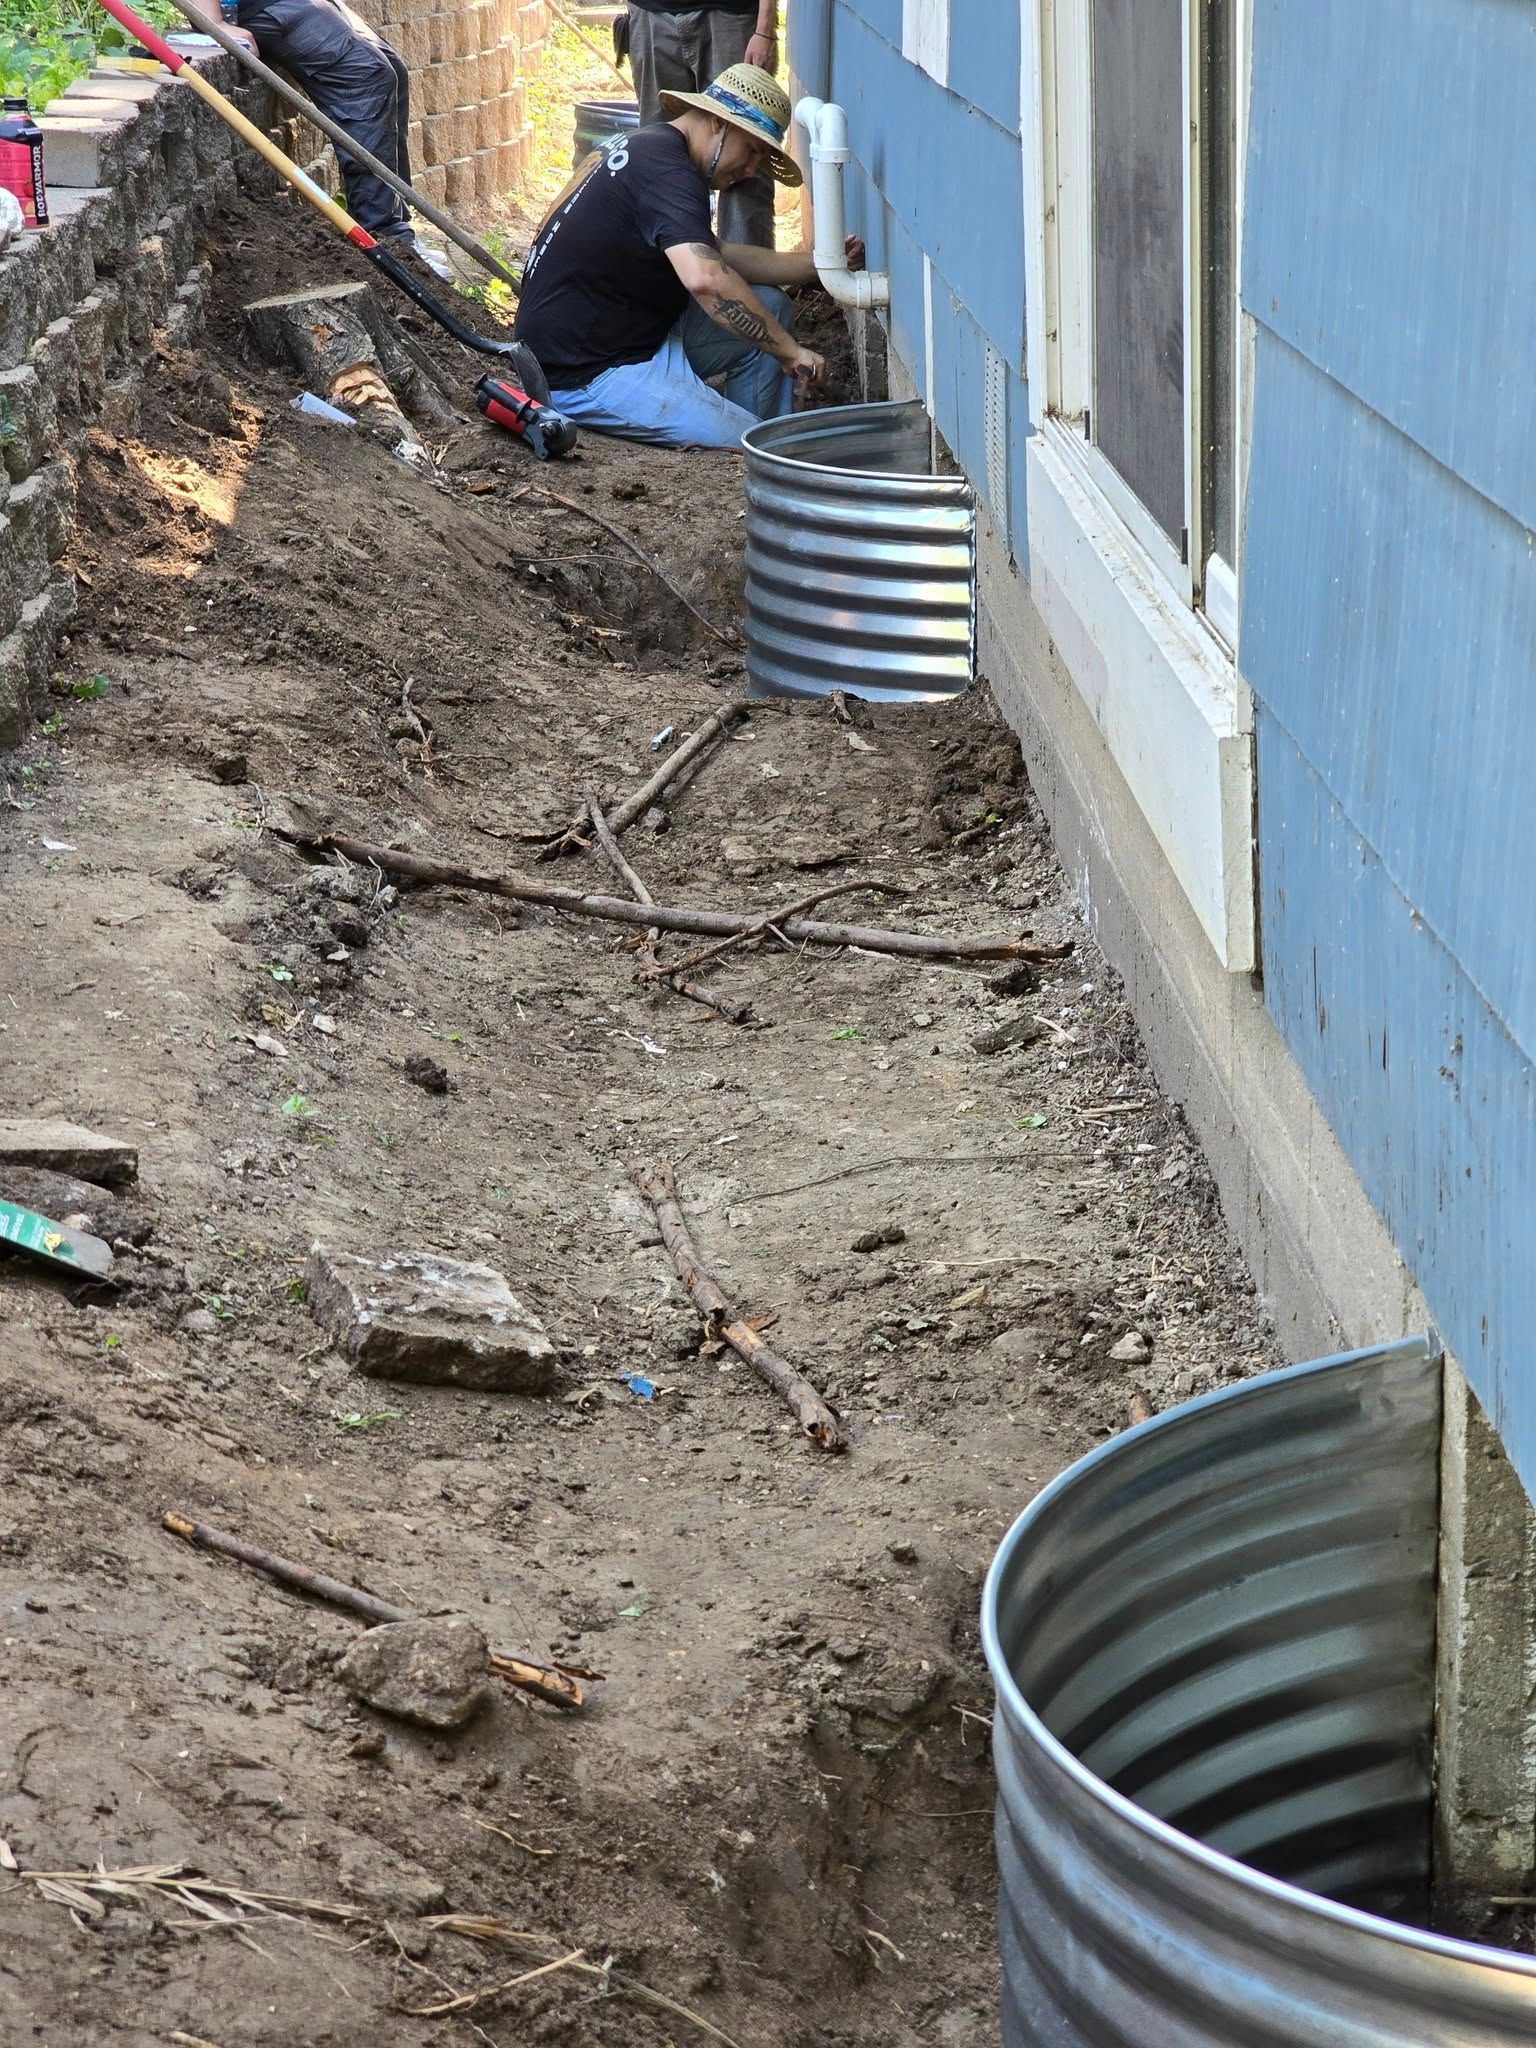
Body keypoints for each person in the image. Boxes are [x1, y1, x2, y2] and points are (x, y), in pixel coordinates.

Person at [512, 65, 861, 450]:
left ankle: (766, 436)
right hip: (583, 373)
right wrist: (791, 352)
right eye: (752, 152)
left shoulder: (651, 148)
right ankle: (765, 449)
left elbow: (717, 256)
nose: (749, 171)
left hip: (624, 334)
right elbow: (706, 278)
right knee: (754, 444)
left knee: (771, 307)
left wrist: (817, 266)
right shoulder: (670, 171)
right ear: (717, 122)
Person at [187, 0, 450, 277]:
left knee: (393, 69)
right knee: (365, 76)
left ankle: (398, 227)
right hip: (259, 6)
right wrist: (213, 21)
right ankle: (383, 236)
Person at [624, 0, 780, 247]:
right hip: (650, 13)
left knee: (746, 151)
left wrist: (764, 28)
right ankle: (668, 271)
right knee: (658, 158)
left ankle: (751, 279)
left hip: (731, 17)